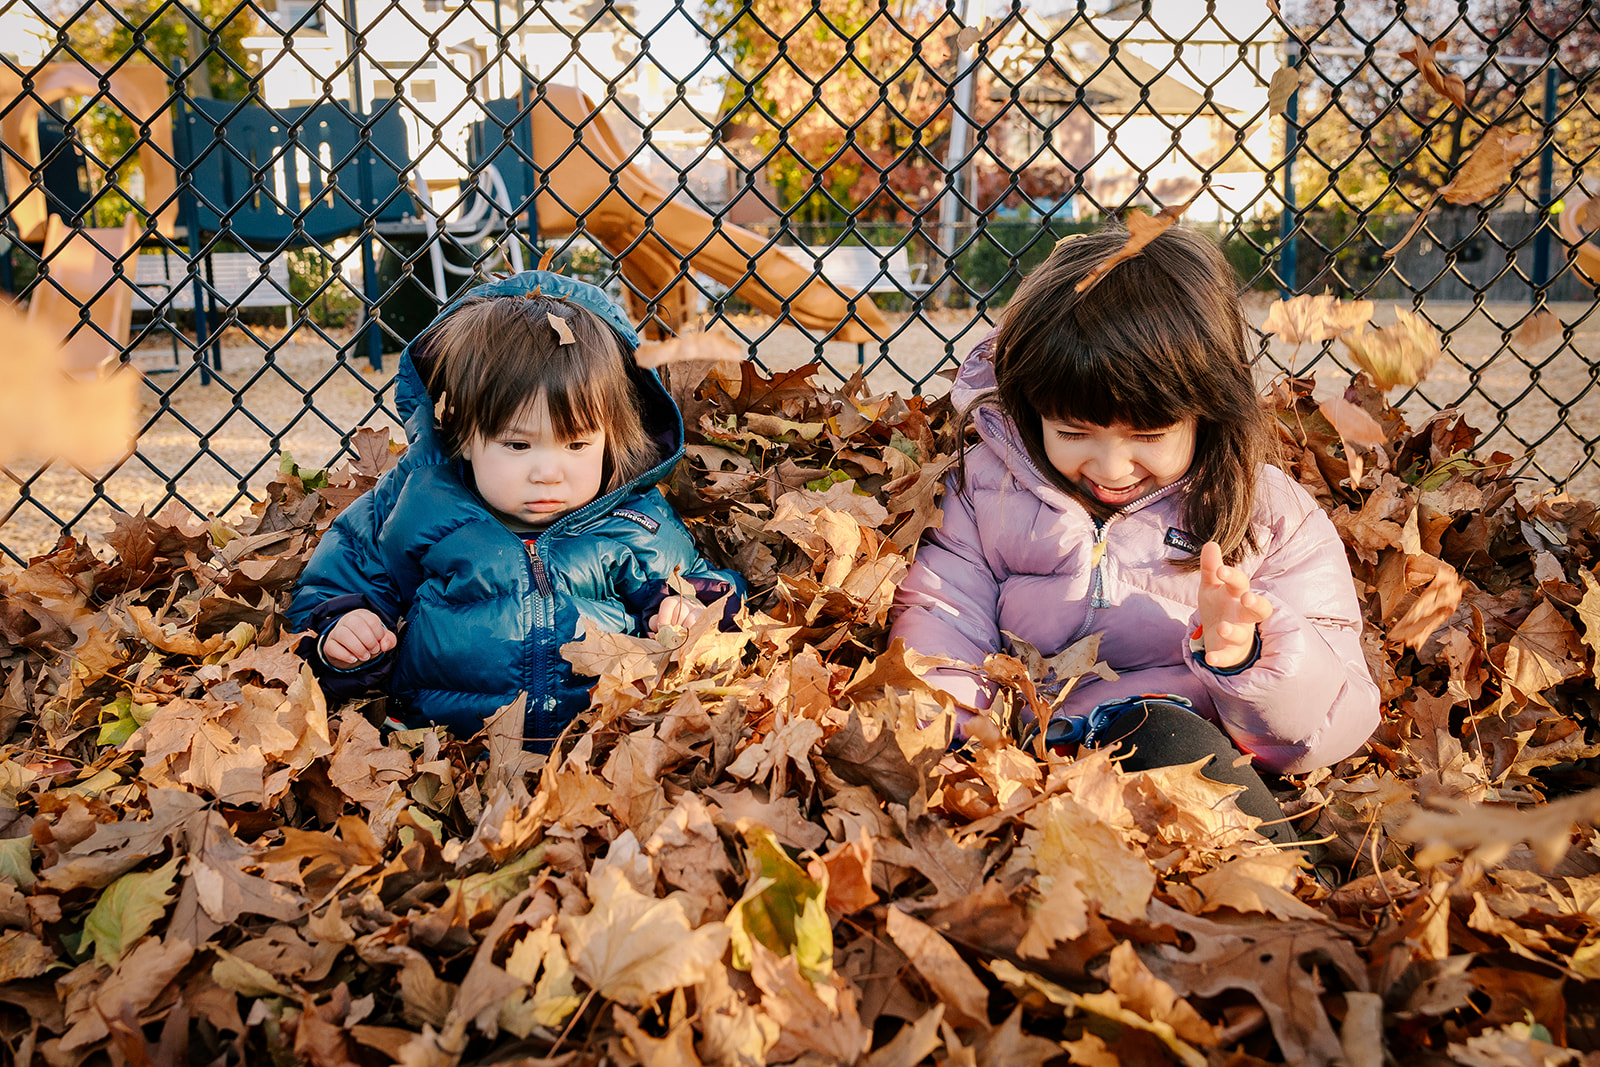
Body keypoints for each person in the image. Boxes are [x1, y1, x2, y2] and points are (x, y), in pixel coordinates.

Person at [889, 225, 1379, 844]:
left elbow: (1337, 716)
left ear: (1209, 407)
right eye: (1072, 434)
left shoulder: (1268, 514)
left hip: (1178, 749)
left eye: (1147, 438)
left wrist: (1249, 657)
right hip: (1021, 741)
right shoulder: (989, 488)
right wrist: (963, 728)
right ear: (1029, 402)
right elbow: (943, 613)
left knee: (1170, 741)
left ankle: (1277, 887)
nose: (1110, 467)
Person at [289, 271, 744, 749]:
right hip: (443, 755)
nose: (548, 472)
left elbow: (708, 588)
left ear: (611, 440)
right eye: (517, 443)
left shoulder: (632, 519)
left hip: (600, 752)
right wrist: (341, 633)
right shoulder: (413, 506)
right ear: (464, 435)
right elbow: (331, 589)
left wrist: (688, 608)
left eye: (576, 444)